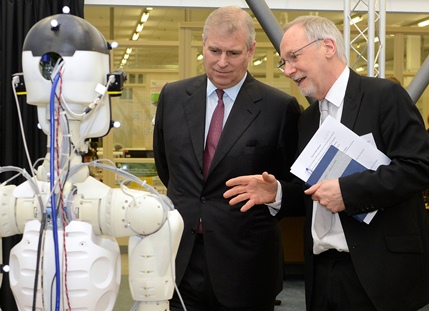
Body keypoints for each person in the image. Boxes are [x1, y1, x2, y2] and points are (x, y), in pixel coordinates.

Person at [224, 15, 429, 311]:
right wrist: (278, 193)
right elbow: (312, 191)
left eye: (294, 57)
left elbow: (418, 166)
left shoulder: (384, 97)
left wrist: (348, 192)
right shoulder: (307, 120)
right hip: (323, 274)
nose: (288, 70)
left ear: (328, 47)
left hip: (379, 274)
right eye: (284, 62)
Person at [153, 6, 301, 311]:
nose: (222, 62)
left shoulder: (279, 107)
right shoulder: (173, 97)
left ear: (250, 51)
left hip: (247, 267)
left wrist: (274, 194)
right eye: (214, 50)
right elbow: (168, 168)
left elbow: (297, 186)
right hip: (182, 260)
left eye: (233, 53)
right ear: (203, 45)